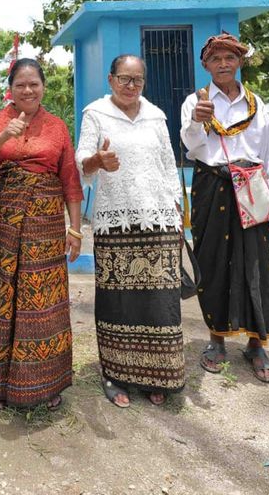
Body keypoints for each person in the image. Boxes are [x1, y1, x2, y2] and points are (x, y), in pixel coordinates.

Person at [0, 58, 83, 413]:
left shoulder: (57, 127)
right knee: (2, 295)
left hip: (47, 224)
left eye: (34, 84)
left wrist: (75, 229)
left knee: (43, 300)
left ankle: (46, 385)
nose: (27, 90)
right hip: (5, 222)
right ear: (11, 89)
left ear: (43, 87)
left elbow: (70, 180)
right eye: (20, 84)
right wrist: (6, 135)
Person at [76, 54, 185, 408]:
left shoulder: (157, 116)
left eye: (137, 80)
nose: (130, 86)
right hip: (115, 221)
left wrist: (177, 210)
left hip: (160, 220)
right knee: (118, 302)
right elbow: (81, 163)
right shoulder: (95, 113)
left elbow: (169, 165)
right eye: (124, 79)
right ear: (110, 80)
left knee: (160, 302)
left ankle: (159, 374)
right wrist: (98, 161)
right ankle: (116, 374)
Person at [179, 32, 269, 384]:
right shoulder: (195, 102)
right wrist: (197, 119)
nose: (223, 64)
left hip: (253, 185)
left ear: (239, 62)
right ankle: (216, 340)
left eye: (230, 58)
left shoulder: (256, 107)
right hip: (212, 185)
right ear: (205, 65)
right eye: (216, 59)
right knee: (212, 261)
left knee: (257, 265)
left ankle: (257, 344)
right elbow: (192, 147)